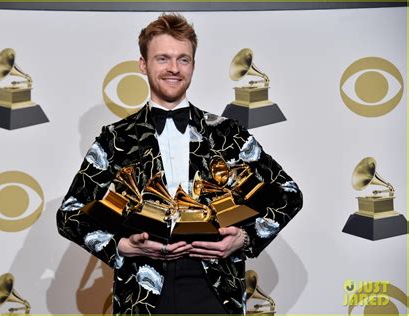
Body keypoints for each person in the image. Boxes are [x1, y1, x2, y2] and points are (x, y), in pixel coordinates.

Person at [57, 13, 303, 315]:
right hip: (141, 292)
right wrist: (121, 246)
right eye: (162, 58)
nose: (173, 68)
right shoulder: (114, 139)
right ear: (143, 65)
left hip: (215, 288)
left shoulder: (226, 133)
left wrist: (244, 237)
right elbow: (69, 215)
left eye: (183, 59)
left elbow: (288, 193)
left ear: (193, 66)